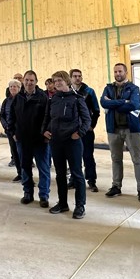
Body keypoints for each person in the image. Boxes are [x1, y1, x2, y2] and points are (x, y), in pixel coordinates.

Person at [42, 71, 91, 219]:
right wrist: (45, 130)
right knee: (60, 174)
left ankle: (80, 206)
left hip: (72, 141)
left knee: (77, 174)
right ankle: (63, 203)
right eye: (54, 81)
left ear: (67, 81)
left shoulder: (77, 98)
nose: (57, 83)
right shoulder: (53, 99)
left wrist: (80, 133)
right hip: (56, 141)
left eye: (60, 80)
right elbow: (47, 117)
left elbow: (87, 119)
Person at [100, 63, 140, 202]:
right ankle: (116, 186)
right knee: (116, 159)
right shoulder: (108, 88)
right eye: (115, 71)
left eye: (120, 71)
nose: (117, 73)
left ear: (126, 72)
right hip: (113, 129)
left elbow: (134, 104)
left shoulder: (134, 88)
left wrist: (114, 103)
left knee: (137, 160)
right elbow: (104, 103)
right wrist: (123, 102)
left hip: (131, 129)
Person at [8, 71, 51, 207]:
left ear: (36, 81)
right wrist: (13, 132)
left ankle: (43, 195)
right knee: (25, 167)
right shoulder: (17, 98)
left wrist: (45, 134)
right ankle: (28, 193)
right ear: (23, 81)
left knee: (43, 168)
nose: (29, 83)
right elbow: (11, 117)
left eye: (32, 80)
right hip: (22, 139)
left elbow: (48, 117)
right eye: (26, 80)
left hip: (40, 140)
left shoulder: (43, 97)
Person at [69, 69, 101, 192]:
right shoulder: (67, 92)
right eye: (75, 76)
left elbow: (96, 110)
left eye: (79, 76)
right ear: (70, 78)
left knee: (88, 155)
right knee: (72, 156)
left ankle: (91, 180)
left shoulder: (89, 91)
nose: (77, 78)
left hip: (86, 130)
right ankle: (73, 179)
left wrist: (92, 125)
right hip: (72, 130)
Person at [0, 79, 22, 182]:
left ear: (19, 88)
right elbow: (2, 115)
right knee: (15, 153)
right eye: (11, 86)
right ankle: (19, 173)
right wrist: (6, 126)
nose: (13, 88)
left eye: (15, 86)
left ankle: (26, 174)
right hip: (10, 131)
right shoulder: (6, 101)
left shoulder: (23, 99)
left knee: (22, 153)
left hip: (20, 131)